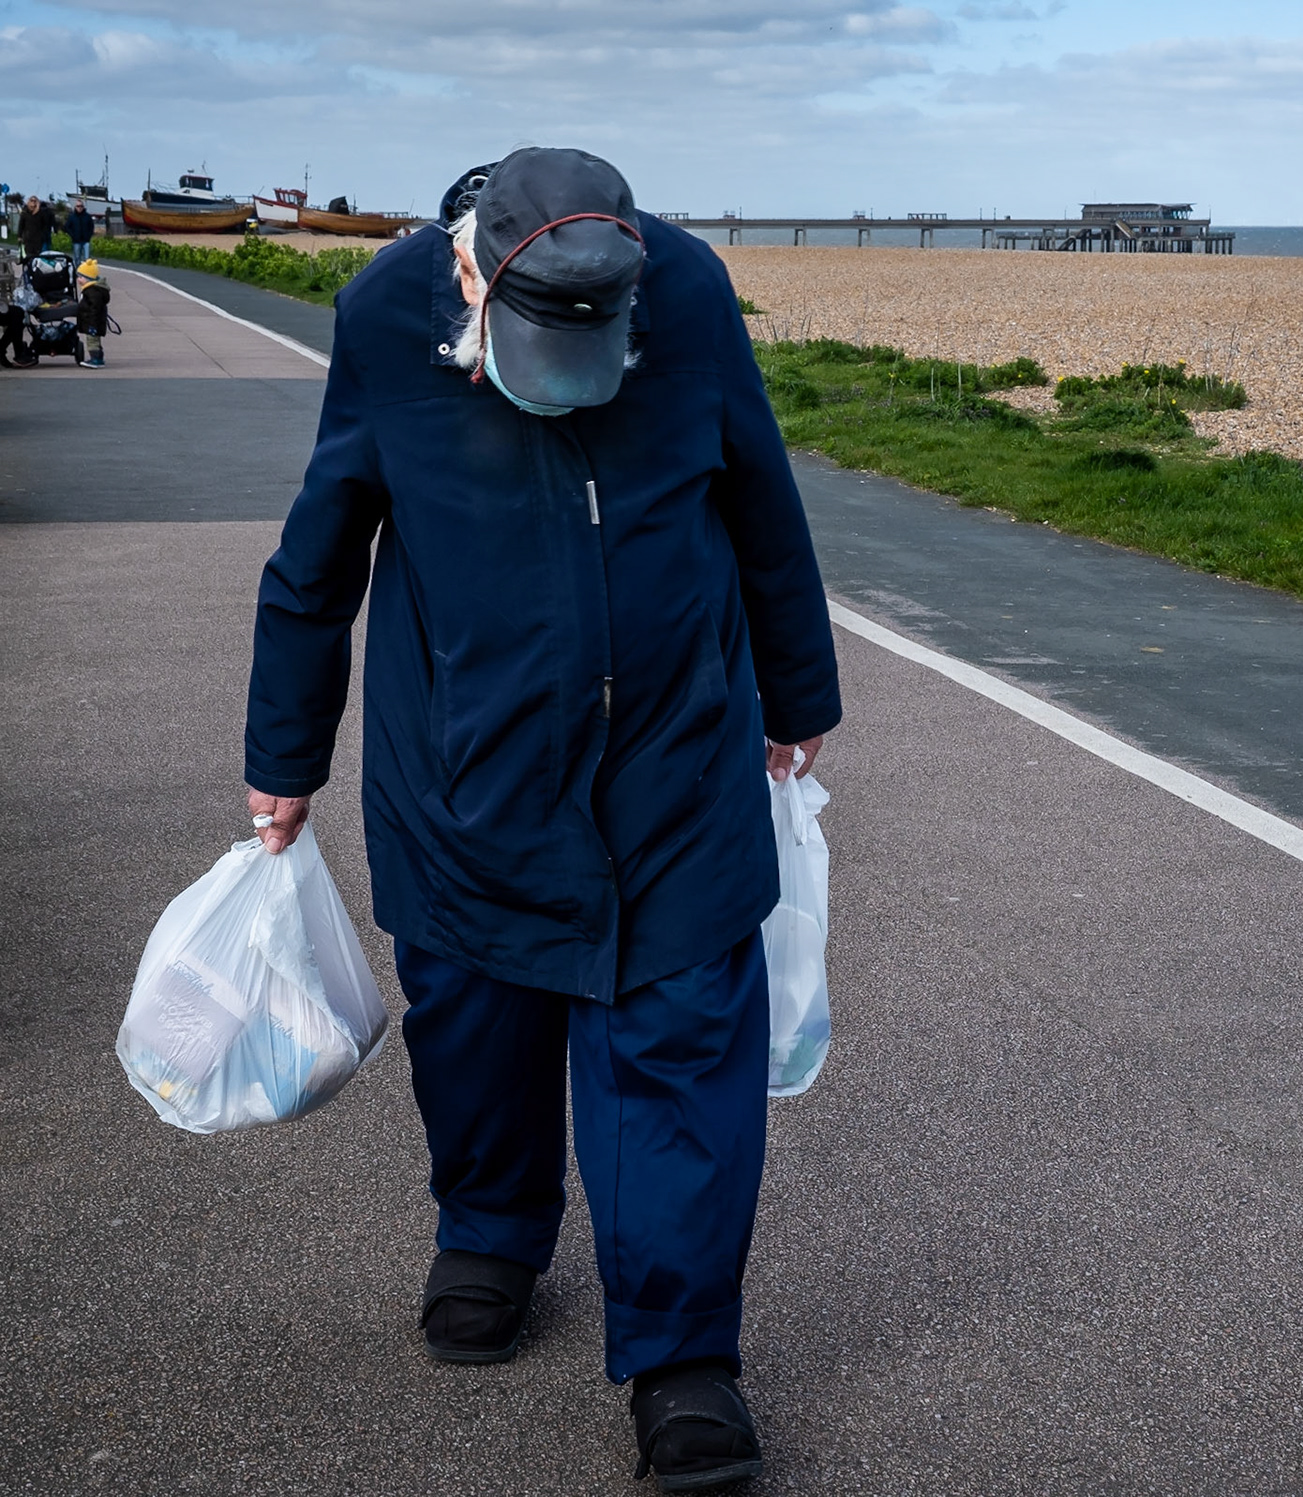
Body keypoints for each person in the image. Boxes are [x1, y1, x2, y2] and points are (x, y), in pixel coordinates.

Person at [242, 147, 840, 1492]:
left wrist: (797, 697)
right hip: (463, 760)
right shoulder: (389, 312)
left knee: (681, 1042)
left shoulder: (689, 290)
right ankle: (492, 1233)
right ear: (472, 275)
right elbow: (321, 545)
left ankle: (683, 1355)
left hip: (674, 758)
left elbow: (759, 496)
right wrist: (285, 755)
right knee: (475, 1017)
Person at [75, 258, 109, 367]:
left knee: (92, 342)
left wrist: (92, 325)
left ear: (88, 279)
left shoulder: (92, 292)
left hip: (92, 322)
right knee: (95, 341)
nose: (78, 280)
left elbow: (94, 309)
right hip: (93, 322)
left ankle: (95, 359)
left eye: (81, 277)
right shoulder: (93, 290)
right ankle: (98, 358)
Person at [18, 195, 54, 260]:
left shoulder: (40, 213)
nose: (33, 202)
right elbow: (21, 225)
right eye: (31, 200)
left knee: (37, 258)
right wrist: (19, 236)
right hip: (28, 239)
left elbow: (45, 224)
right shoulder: (25, 213)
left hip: (38, 240)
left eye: (35, 201)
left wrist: (43, 235)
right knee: (27, 257)